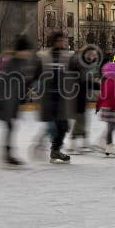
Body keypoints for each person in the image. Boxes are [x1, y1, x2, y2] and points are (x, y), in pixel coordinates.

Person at [0, 36, 36, 167]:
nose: (28, 53)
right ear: (20, 50)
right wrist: (0, 103)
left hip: (13, 101)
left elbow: (23, 81)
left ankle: (7, 154)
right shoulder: (11, 63)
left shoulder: (22, 62)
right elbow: (3, 84)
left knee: (11, 127)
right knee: (10, 126)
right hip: (5, 101)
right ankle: (6, 155)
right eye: (26, 50)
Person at [37, 31, 73, 164]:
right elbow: (36, 74)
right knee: (53, 125)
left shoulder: (67, 56)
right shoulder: (43, 56)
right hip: (48, 95)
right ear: (54, 41)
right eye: (61, 40)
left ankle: (55, 150)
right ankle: (46, 142)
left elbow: (75, 73)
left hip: (62, 96)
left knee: (64, 126)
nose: (64, 42)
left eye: (64, 40)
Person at [67, 45, 100, 153]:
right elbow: (81, 80)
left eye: (94, 54)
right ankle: (72, 143)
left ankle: (84, 141)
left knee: (83, 118)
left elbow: (87, 80)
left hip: (81, 93)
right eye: (91, 54)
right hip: (76, 93)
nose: (93, 56)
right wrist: (97, 86)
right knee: (80, 118)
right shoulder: (79, 62)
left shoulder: (87, 64)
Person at [95, 61, 115, 157]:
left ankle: (103, 142)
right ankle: (109, 146)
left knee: (112, 126)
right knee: (112, 126)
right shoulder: (112, 82)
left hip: (107, 106)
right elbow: (112, 96)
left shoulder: (106, 81)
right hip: (111, 107)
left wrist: (98, 106)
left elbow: (102, 95)